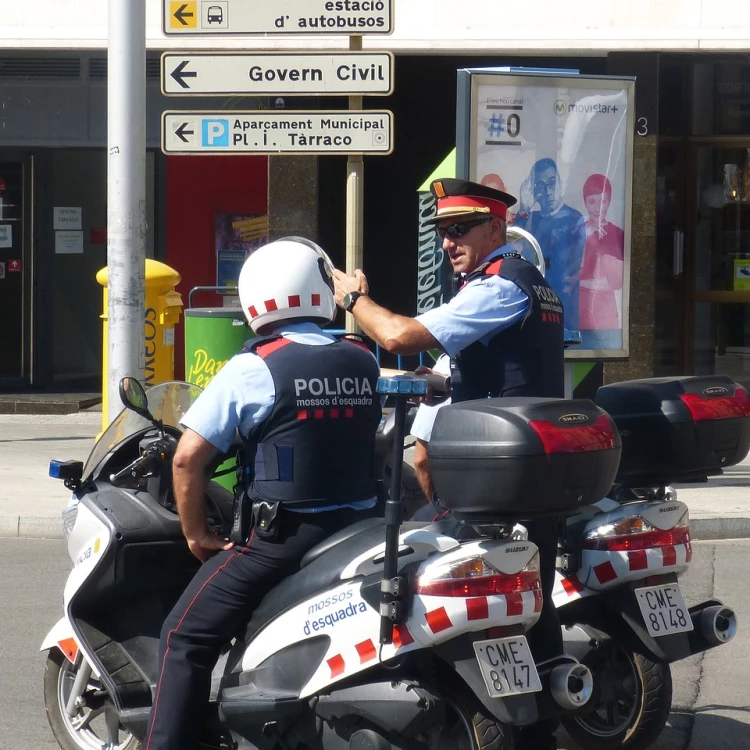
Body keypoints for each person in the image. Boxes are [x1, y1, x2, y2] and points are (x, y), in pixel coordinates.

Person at [333, 178, 565, 750]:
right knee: (529, 597)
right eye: (441, 231)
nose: (448, 241)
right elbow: (489, 367)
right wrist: (436, 380)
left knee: (457, 588)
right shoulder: (525, 286)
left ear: (496, 228)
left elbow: (401, 334)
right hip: (526, 465)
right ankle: (538, 726)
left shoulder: (500, 286)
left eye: (460, 229)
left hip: (502, 475)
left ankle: (467, 719)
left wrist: (352, 299)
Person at [143, 237, 382, 750]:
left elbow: (187, 460)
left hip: (283, 541)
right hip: (361, 530)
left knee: (183, 637)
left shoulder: (256, 367)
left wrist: (197, 534)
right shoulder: (363, 358)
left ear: (256, 297)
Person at [514, 158, 586, 339]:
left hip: (563, 309)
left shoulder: (573, 219)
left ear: (560, 183)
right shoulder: (531, 218)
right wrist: (524, 208)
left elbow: (568, 267)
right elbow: (515, 248)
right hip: (534, 307)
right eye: (540, 186)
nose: (547, 192)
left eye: (552, 183)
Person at [579, 174, 624, 346]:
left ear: (609, 202)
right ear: (585, 202)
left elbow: (615, 283)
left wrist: (579, 283)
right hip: (577, 311)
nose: (598, 208)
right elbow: (565, 272)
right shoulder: (578, 232)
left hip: (604, 314)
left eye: (603, 201)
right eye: (592, 202)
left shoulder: (617, 234)